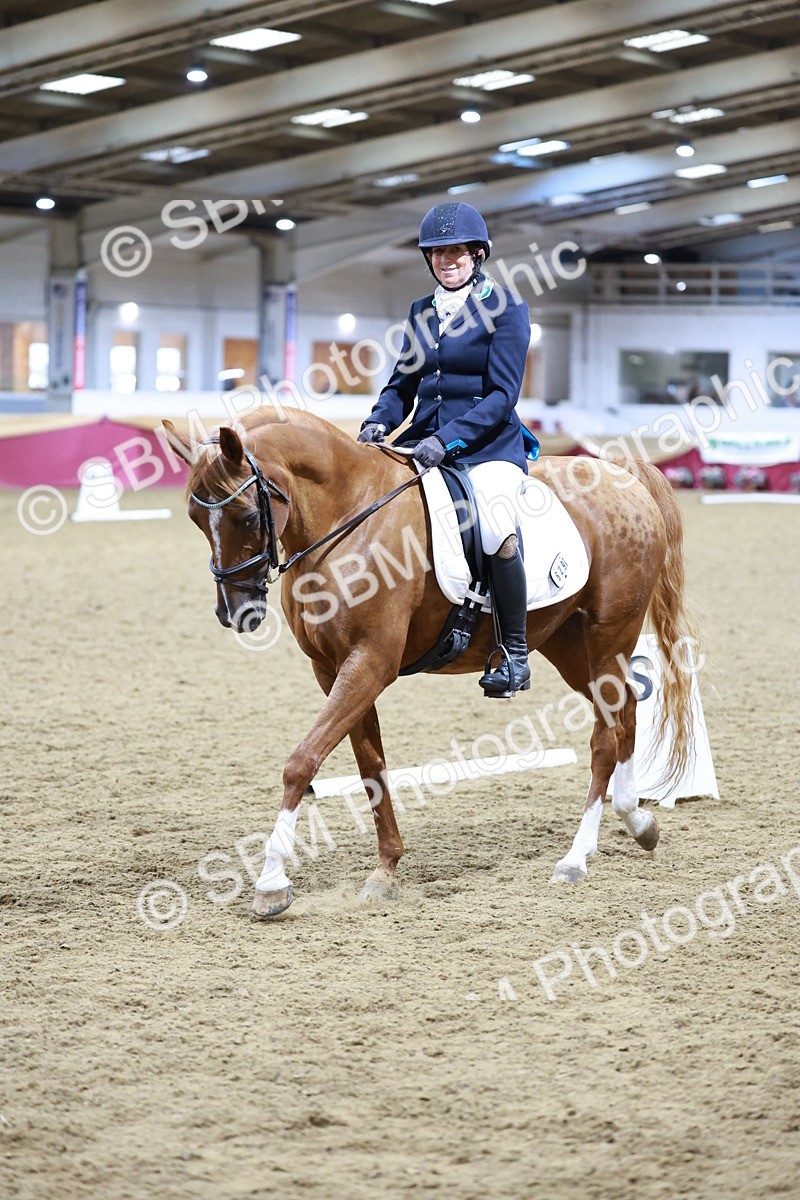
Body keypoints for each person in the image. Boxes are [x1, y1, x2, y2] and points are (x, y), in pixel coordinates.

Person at [357, 201, 536, 697]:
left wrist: (448, 439)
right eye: (437, 253)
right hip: (422, 442)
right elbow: (402, 385)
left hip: (487, 446)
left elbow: (502, 396)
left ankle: (514, 653)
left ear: (477, 254)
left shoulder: (507, 308)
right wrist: (378, 422)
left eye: (455, 252)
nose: (446, 261)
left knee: (496, 527)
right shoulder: (422, 310)